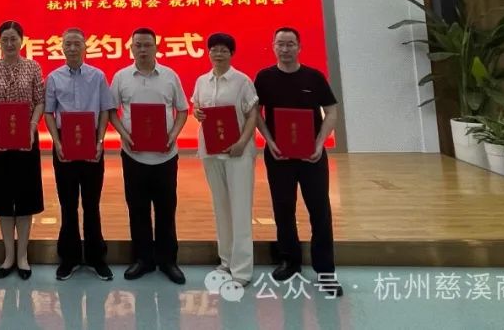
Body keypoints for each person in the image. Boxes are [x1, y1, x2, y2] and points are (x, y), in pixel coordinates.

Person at [255, 27, 343, 297]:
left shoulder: (313, 77)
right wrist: (269, 141)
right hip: (278, 156)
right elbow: (255, 113)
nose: (285, 49)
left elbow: (331, 111)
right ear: (273, 46)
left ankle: (325, 270)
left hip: (311, 156)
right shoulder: (265, 77)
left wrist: (319, 143)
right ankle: (289, 261)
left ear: (299, 47)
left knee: (320, 210)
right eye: (280, 44)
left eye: (290, 44)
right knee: (283, 209)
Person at [108, 27, 188, 285]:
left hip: (166, 156)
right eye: (138, 45)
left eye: (147, 45)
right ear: (131, 48)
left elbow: (182, 110)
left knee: (166, 209)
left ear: (156, 47)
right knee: (137, 209)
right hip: (133, 155)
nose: (142, 49)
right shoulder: (121, 77)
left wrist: (173, 135)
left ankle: (168, 261)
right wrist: (125, 136)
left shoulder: (170, 76)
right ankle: (143, 259)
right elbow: (111, 111)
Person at [44, 27, 114, 282]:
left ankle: (96, 257)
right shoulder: (53, 78)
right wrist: (56, 142)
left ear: (85, 47)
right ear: (62, 48)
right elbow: (49, 112)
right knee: (68, 203)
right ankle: (69, 257)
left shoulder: (98, 76)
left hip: (91, 142)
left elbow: (105, 110)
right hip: (65, 143)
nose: (72, 48)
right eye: (68, 44)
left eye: (77, 44)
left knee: (92, 204)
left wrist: (100, 140)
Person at [0, 20, 45, 281]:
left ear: (21, 40)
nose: (9, 43)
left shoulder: (33, 66)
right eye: (4, 39)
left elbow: (40, 101)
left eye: (13, 38)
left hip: (27, 137)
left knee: (26, 197)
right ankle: (8, 255)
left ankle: (23, 255)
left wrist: (32, 126)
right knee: (3, 198)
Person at [191, 32, 259, 286]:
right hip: (211, 151)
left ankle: (242, 270)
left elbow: (252, 114)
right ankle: (226, 260)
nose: (218, 54)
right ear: (208, 52)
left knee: (240, 209)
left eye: (223, 50)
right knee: (221, 207)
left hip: (237, 153)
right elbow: (198, 108)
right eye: (214, 49)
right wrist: (197, 113)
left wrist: (242, 142)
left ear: (232, 54)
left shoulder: (242, 81)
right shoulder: (202, 81)